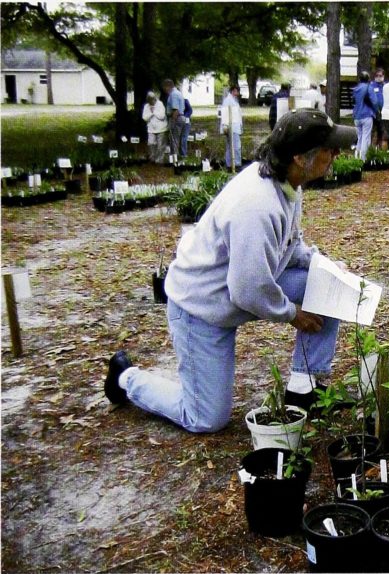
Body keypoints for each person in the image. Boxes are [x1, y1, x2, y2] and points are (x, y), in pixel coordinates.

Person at [103, 109, 358, 432]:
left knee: (326, 287)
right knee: (206, 418)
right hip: (202, 306)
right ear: (299, 157)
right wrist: (293, 313)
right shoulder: (257, 205)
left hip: (235, 290)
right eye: (329, 148)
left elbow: (290, 246)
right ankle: (126, 378)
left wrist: (324, 266)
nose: (336, 153)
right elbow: (248, 290)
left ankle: (303, 390)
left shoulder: (289, 185)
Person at [352, 71, 378, 160]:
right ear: (368, 79)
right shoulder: (369, 88)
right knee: (366, 137)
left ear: (360, 79)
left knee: (359, 137)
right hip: (367, 115)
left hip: (356, 116)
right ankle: (363, 159)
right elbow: (374, 102)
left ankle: (356, 156)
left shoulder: (355, 89)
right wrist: (376, 111)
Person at [142, 91, 168, 164]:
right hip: (151, 129)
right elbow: (144, 117)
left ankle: (159, 160)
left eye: (152, 100)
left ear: (154, 99)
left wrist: (154, 112)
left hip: (161, 128)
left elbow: (162, 116)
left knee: (160, 146)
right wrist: (150, 113)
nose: (151, 102)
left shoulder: (160, 104)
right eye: (149, 101)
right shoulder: (146, 106)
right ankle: (152, 158)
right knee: (151, 143)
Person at [162, 79, 187, 157]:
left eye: (164, 88)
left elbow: (175, 110)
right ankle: (177, 156)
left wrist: (172, 121)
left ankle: (174, 157)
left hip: (177, 118)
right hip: (181, 118)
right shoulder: (178, 93)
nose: (164, 90)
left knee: (174, 139)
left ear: (168, 86)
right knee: (177, 139)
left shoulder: (173, 95)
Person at [221, 85, 243, 168]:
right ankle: (234, 164)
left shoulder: (234, 100)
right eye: (237, 91)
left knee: (233, 146)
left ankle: (231, 164)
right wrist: (225, 126)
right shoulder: (228, 101)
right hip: (232, 126)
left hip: (236, 126)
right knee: (235, 146)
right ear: (233, 91)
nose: (237, 93)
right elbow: (225, 114)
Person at [369, 69, 385, 147]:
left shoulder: (385, 86)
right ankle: (371, 147)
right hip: (373, 112)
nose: (379, 77)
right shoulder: (371, 86)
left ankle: (379, 148)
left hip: (383, 113)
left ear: (383, 76)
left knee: (381, 131)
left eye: (380, 75)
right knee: (372, 131)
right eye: (377, 76)